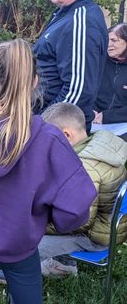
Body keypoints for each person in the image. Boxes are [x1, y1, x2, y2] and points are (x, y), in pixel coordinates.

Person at [0, 39, 96, 304]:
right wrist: (52, 221)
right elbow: (75, 208)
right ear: (34, 81)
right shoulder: (50, 138)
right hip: (18, 245)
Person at [37, 103, 126, 277]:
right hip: (109, 226)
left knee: (27, 241)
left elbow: (79, 221)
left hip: (95, 237)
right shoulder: (98, 142)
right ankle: (63, 264)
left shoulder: (85, 169)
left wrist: (37, 224)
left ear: (66, 135)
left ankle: (17, 277)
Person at [33, 0, 108, 133]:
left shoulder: (82, 21)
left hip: (56, 134)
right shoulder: (66, 14)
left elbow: (78, 92)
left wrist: (40, 127)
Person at [93, 23, 127, 128]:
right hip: (94, 122)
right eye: (107, 40)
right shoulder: (98, 61)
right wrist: (91, 110)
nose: (109, 44)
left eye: (114, 40)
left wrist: (107, 116)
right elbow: (87, 90)